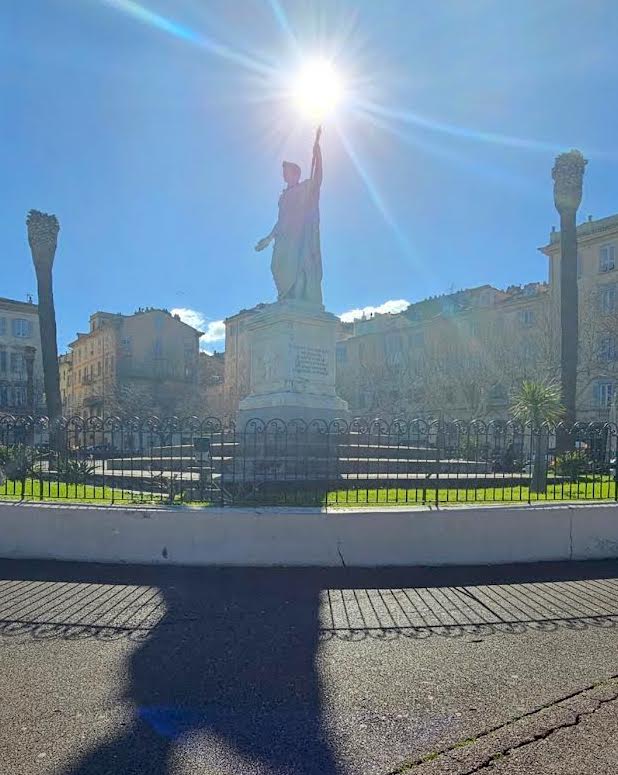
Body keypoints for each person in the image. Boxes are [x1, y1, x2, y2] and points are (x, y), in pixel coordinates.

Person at [255, 127, 323, 305]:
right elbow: (280, 220)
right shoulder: (283, 196)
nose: (284, 175)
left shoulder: (305, 188)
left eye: (286, 172)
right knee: (276, 266)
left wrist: (318, 155)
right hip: (283, 237)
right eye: (283, 172)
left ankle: (295, 296)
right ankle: (285, 296)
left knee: (298, 266)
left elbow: (318, 180)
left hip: (298, 235)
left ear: (295, 174)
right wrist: (268, 238)